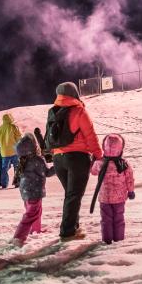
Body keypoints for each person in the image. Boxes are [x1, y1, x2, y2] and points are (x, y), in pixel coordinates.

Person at [49, 82, 102, 241]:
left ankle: (73, 226)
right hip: (77, 158)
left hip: (58, 159)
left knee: (71, 195)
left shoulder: (53, 111)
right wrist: (98, 155)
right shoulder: (79, 111)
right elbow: (90, 135)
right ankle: (67, 232)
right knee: (73, 195)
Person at [90, 134, 135, 245]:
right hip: (119, 198)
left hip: (104, 198)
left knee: (106, 220)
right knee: (119, 219)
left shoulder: (100, 162)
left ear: (104, 147)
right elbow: (130, 179)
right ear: (121, 148)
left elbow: (93, 172)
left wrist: (93, 161)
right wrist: (131, 191)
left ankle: (107, 240)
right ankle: (119, 239)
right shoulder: (124, 164)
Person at [12, 133, 55, 247]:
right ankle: (18, 237)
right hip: (34, 191)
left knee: (36, 212)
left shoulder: (22, 160)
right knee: (31, 214)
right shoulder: (37, 159)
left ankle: (36, 230)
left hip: (26, 192)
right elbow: (47, 173)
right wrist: (57, 167)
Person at [0, 113, 22, 188]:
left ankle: (4, 184)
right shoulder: (13, 127)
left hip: (4, 152)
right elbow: (19, 137)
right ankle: (17, 183)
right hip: (14, 151)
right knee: (17, 167)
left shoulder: (0, 128)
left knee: (4, 169)